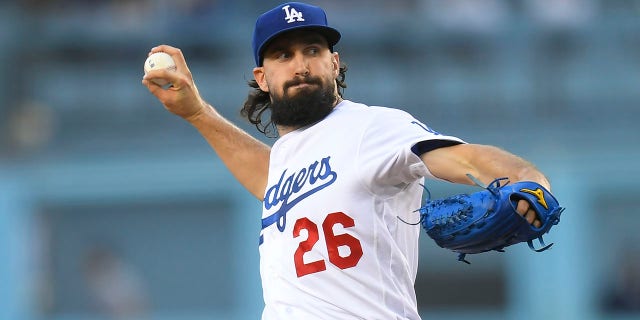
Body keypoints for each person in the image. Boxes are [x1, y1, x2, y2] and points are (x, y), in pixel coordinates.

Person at [142, 2, 551, 319]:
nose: (300, 65)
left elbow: (466, 158)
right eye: (283, 55)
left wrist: (527, 177)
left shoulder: (371, 127)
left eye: (312, 50)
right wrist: (197, 113)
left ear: (334, 64)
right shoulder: (290, 157)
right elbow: (271, 179)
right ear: (263, 77)